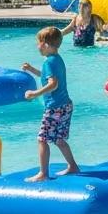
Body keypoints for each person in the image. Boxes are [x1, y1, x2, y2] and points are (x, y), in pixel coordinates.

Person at [21, 26, 79, 182]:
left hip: (55, 107)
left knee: (42, 139)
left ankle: (43, 173)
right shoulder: (57, 59)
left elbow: (53, 84)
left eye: (38, 43)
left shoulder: (49, 62)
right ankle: (73, 166)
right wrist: (32, 69)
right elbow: (47, 77)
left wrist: (35, 93)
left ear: (45, 44)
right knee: (59, 139)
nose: (37, 46)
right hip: (66, 105)